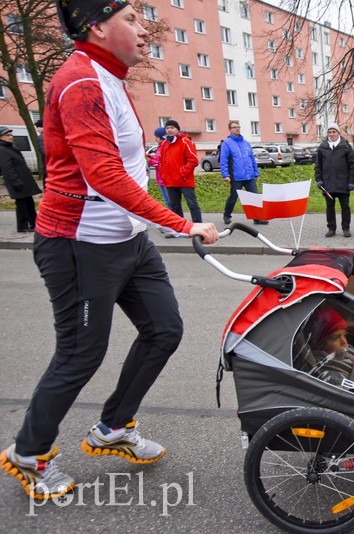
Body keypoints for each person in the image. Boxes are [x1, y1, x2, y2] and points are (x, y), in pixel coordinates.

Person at [0, 1, 218, 501]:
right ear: (97, 27)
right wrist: (181, 222)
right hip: (78, 244)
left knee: (165, 330)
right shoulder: (81, 83)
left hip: (129, 241)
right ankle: (28, 454)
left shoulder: (111, 76)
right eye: (132, 21)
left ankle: (114, 428)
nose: (145, 30)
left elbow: (128, 167)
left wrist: (151, 225)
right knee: (80, 354)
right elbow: (105, 176)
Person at [220, 120, 267, 225]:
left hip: (249, 176)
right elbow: (223, 160)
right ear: (230, 129)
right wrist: (226, 175)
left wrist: (256, 173)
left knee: (255, 197)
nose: (237, 129)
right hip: (236, 177)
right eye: (234, 127)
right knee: (233, 197)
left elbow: (251, 159)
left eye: (238, 127)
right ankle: (226, 215)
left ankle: (257, 218)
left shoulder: (246, 143)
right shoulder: (227, 143)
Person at [315, 123, 354, 237]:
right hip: (328, 184)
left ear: (339, 133)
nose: (332, 134)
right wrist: (319, 179)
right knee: (330, 208)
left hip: (343, 183)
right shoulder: (322, 147)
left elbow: (352, 165)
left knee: (345, 208)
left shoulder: (346, 147)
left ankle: (346, 228)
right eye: (330, 132)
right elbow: (318, 166)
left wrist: (352, 181)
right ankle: (331, 228)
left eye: (334, 132)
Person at [158, 119, 202, 223]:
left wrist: (182, 173)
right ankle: (179, 227)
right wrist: (164, 175)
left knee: (192, 204)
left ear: (177, 129)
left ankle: (198, 226)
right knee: (175, 206)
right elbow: (161, 161)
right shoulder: (164, 143)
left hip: (184, 180)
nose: (169, 130)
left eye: (172, 128)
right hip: (170, 181)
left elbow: (193, 161)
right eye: (167, 128)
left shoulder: (185, 142)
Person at [0, 126, 41, 232]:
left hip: (23, 181)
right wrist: (16, 182)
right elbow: (7, 168)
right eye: (7, 135)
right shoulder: (2, 150)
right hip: (17, 182)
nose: (11, 137)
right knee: (22, 205)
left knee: (29, 203)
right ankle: (22, 226)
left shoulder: (11, 147)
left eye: (11, 135)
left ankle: (34, 223)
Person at [147, 126, 171, 210]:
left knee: (171, 201)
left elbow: (162, 163)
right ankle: (173, 219)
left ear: (162, 138)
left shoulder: (166, 147)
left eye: (157, 137)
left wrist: (150, 161)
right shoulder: (159, 147)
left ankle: (179, 218)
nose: (156, 139)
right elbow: (158, 160)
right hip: (160, 178)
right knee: (167, 201)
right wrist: (149, 156)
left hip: (166, 178)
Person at [35, 119, 47, 188]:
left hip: (48, 165)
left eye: (38, 127)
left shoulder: (41, 138)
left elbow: (44, 152)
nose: (37, 130)